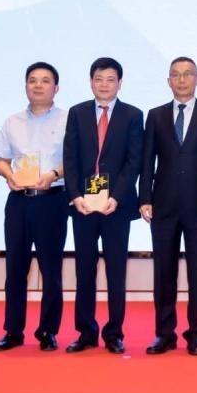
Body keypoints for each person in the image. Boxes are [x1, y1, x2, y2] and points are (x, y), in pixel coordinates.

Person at [139, 56, 197, 356]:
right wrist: (144, 198)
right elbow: (147, 161)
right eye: (175, 74)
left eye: (187, 74)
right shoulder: (155, 116)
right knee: (164, 272)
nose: (181, 79)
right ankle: (164, 334)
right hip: (162, 205)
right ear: (168, 81)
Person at [63, 57, 144, 354]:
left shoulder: (133, 115)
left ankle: (114, 333)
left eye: (110, 79)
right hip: (83, 205)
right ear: (90, 82)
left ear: (119, 83)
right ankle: (86, 332)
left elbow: (134, 161)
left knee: (115, 271)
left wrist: (117, 196)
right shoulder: (77, 113)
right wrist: (75, 195)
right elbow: (70, 157)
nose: (104, 85)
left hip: (115, 206)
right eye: (99, 79)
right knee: (84, 269)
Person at [0, 62, 68, 352]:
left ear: (56, 88)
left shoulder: (69, 119)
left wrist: (54, 174)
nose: (38, 85)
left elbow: (75, 160)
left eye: (45, 81)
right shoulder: (12, 122)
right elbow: (1, 159)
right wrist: (8, 174)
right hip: (19, 202)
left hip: (52, 200)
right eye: (32, 80)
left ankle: (48, 331)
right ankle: (13, 331)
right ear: (26, 86)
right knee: (15, 268)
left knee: (51, 270)